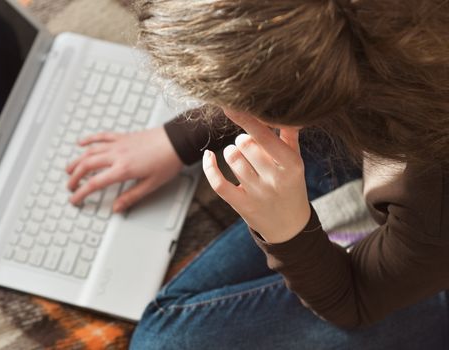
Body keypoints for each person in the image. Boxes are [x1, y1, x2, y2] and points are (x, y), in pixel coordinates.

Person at [66, 0, 449, 348]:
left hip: (424, 262)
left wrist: (288, 232)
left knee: (162, 341)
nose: (214, 107)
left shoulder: (433, 189)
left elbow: (357, 301)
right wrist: (177, 140)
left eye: (231, 101)